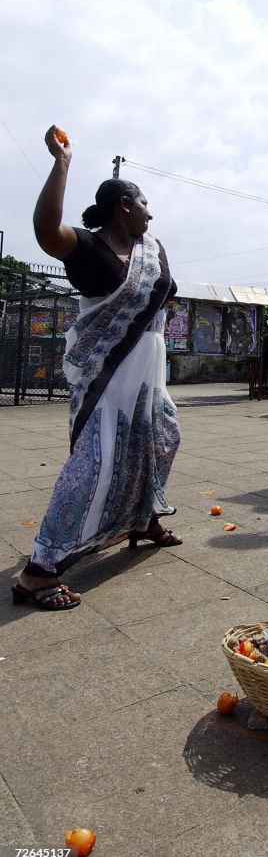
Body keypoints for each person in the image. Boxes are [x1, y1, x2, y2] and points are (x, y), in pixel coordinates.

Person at [11, 127, 182, 611]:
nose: (151, 212)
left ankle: (142, 518)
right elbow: (47, 231)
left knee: (164, 438)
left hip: (149, 371)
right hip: (107, 377)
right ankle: (38, 573)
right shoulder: (89, 249)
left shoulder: (154, 250)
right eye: (144, 203)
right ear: (124, 206)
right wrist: (62, 163)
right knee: (95, 463)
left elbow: (162, 297)